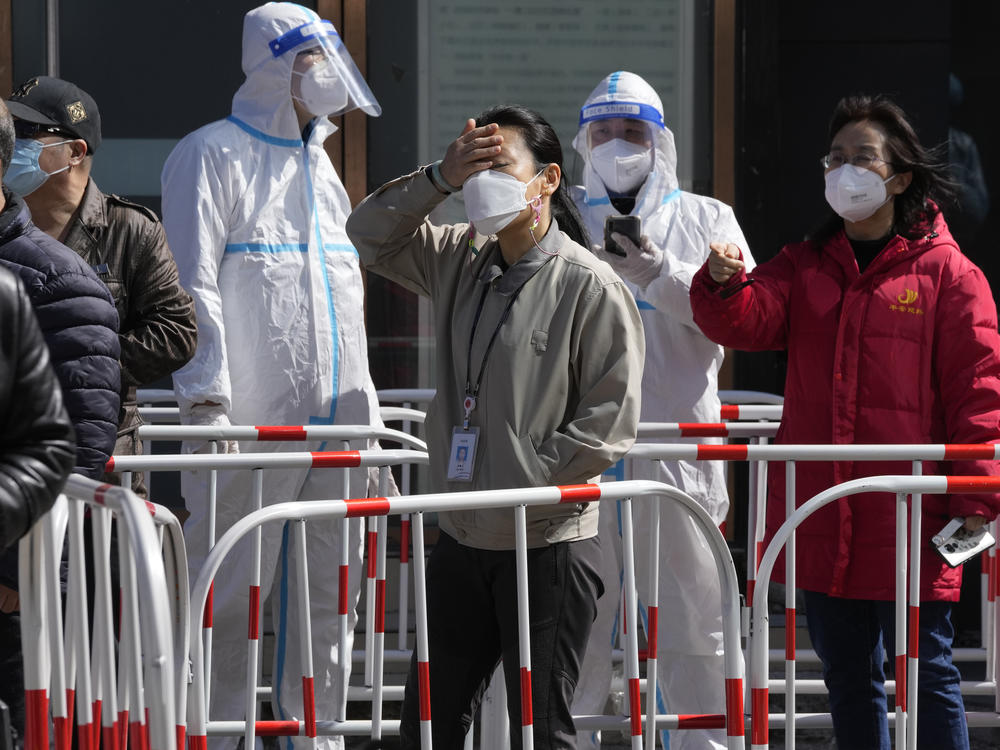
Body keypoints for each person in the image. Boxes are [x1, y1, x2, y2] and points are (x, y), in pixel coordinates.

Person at [690, 94, 1000, 750]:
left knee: (929, 672)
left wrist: (977, 502)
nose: (845, 171)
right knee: (847, 677)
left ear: (901, 176)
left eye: (863, 157)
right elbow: (743, 319)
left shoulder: (951, 276)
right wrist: (721, 282)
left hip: (912, 519)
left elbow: (980, 396)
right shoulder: (804, 265)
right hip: (825, 512)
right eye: (835, 158)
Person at [347, 104, 644, 749]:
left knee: (540, 728)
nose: (484, 180)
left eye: (498, 165)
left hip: (546, 538)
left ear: (548, 181)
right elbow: (369, 234)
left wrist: (525, 479)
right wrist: (438, 179)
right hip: (462, 531)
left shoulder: (589, 284)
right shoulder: (462, 256)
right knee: (428, 721)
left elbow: (608, 419)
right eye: (473, 166)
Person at [160, 4, 386, 748]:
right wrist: (207, 403)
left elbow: (342, 305)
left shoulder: (321, 169)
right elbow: (193, 288)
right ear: (272, 66)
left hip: (337, 427)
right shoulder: (209, 155)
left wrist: (372, 426)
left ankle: (316, 738)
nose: (325, 77)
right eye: (311, 60)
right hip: (248, 428)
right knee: (227, 596)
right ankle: (218, 737)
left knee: (332, 595)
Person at [568, 71, 753, 750]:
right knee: (576, 623)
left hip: (679, 451)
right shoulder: (558, 218)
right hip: (582, 453)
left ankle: (700, 743)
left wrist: (660, 275)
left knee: (693, 622)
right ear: (584, 140)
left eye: (634, 132)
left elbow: (736, 321)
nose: (619, 145)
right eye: (605, 131)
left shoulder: (708, 218)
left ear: (660, 139)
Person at [5, 75, 197, 498]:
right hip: (13, 450)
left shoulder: (131, 229)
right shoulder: (6, 224)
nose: (12, 143)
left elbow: (177, 333)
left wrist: (81, 365)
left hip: (105, 460)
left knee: (99, 563)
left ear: (74, 151)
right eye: (10, 129)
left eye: (27, 133)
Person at [0, 97, 119, 750]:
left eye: (28, 136)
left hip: (17, 580)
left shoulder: (58, 281)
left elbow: (77, 440)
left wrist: (16, 571)